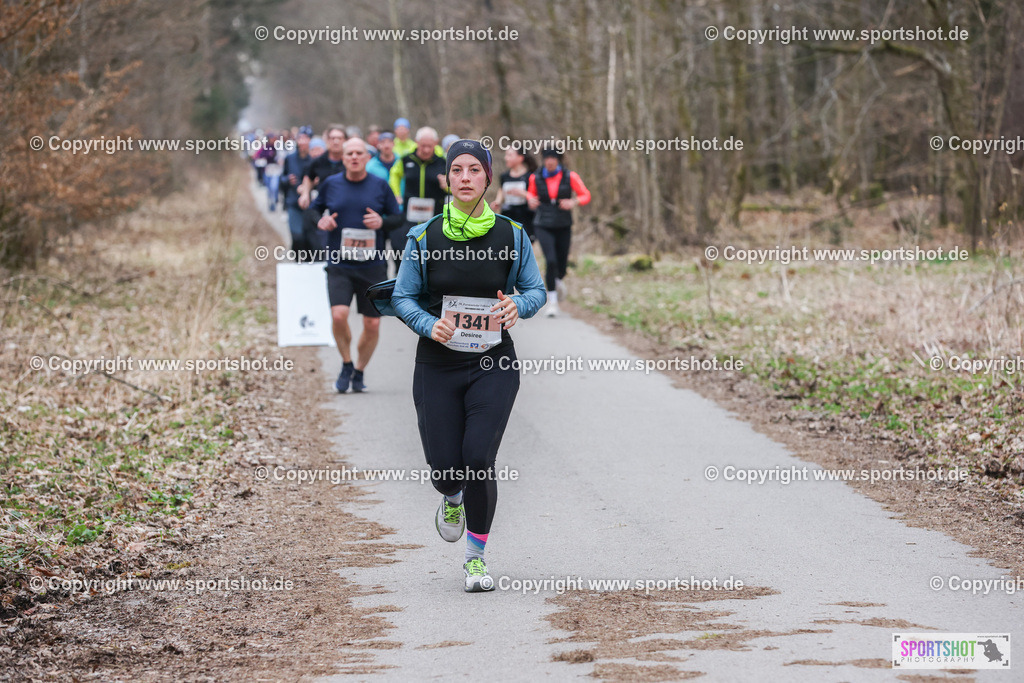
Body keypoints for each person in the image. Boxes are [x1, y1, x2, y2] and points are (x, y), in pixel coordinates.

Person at [392, 139, 546, 592]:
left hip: (493, 361)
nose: (464, 177)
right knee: (445, 470)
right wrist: (427, 323)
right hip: (437, 364)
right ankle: (451, 497)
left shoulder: (512, 235)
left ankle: (475, 558)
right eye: (456, 169)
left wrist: (519, 305)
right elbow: (402, 297)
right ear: (446, 178)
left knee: (478, 458)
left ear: (487, 178)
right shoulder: (423, 236)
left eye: (473, 170)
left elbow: (535, 290)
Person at [311, 138, 403, 392]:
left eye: (358, 153)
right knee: (338, 315)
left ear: (366, 158)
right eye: (349, 153)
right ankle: (346, 363)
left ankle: (360, 370)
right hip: (339, 264)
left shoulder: (380, 185)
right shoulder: (331, 184)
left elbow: (398, 217)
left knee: (372, 324)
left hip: (372, 266)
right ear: (343, 158)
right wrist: (322, 220)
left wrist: (381, 222)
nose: (353, 157)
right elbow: (314, 209)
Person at [527, 148, 591, 317]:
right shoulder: (535, 177)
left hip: (563, 224)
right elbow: (531, 195)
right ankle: (553, 302)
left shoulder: (570, 176)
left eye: (553, 158)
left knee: (561, 265)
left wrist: (573, 201)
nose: (550, 161)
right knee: (551, 261)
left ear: (559, 160)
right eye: (547, 158)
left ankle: (558, 280)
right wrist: (531, 201)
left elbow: (585, 195)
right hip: (543, 224)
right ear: (543, 160)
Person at [388, 127, 448, 268]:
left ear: (436, 143)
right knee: (404, 252)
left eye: (430, 146)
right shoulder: (406, 159)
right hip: (410, 216)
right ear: (416, 142)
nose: (426, 150)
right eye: (423, 146)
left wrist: (447, 185)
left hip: (434, 218)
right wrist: (396, 194)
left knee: (432, 256)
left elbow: (455, 187)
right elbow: (394, 174)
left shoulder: (443, 162)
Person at [490, 141, 538, 243]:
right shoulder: (504, 176)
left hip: (526, 217)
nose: (506, 158)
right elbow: (501, 190)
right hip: (508, 215)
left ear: (520, 158)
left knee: (525, 246)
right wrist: (497, 202)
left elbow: (535, 196)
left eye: (510, 155)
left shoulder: (530, 176)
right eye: (506, 155)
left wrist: (523, 193)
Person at [282, 126, 315, 254]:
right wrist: (287, 180)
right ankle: (297, 263)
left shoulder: (315, 159)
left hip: (312, 206)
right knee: (297, 238)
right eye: (300, 138)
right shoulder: (289, 158)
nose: (302, 141)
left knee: (311, 241)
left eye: (306, 138)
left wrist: (314, 183)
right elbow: (282, 179)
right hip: (293, 203)